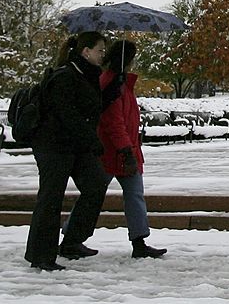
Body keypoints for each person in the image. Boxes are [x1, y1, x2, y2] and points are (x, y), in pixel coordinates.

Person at [25, 32, 116, 271]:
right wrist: (91, 140)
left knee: (96, 184)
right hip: (53, 146)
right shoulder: (64, 76)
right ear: (86, 51)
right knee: (51, 198)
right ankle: (41, 255)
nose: (102, 55)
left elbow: (87, 108)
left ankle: (72, 241)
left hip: (75, 145)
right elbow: (67, 114)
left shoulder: (87, 75)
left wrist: (110, 93)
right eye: (99, 50)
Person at [95, 39, 167, 259]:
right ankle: (71, 237)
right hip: (114, 152)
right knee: (99, 196)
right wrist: (127, 150)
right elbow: (114, 123)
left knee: (129, 196)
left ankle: (139, 240)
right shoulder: (114, 85)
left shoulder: (120, 84)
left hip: (121, 150)